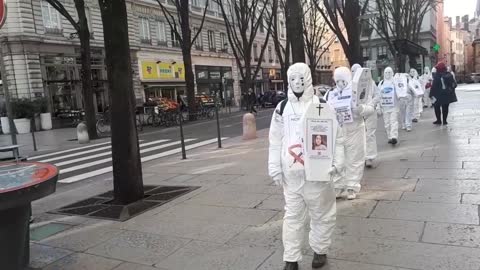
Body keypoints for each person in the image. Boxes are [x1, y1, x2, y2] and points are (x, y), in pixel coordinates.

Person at [268, 63, 339, 270]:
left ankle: (320, 250)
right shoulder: (282, 108)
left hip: (317, 174)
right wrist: (275, 166)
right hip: (292, 176)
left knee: (322, 214)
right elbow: (275, 139)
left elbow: (337, 136)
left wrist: (337, 163)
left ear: (307, 79)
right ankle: (291, 258)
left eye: (301, 79)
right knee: (292, 216)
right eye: (293, 79)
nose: (297, 83)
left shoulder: (321, 105)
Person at [325, 67, 374, 200]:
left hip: (355, 129)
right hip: (338, 131)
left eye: (343, 80)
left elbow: (370, 108)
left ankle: (352, 185)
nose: (340, 84)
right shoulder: (331, 94)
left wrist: (360, 109)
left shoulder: (357, 92)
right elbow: (324, 108)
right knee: (338, 159)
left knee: (355, 158)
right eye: (338, 81)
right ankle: (338, 186)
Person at [351, 64, 380, 168]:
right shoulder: (350, 85)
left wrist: (371, 104)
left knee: (369, 134)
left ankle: (369, 157)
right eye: (353, 71)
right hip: (357, 113)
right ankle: (360, 156)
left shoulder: (370, 83)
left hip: (370, 111)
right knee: (358, 135)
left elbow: (377, 95)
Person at [378, 67, 400, 145]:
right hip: (385, 107)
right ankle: (390, 137)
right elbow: (378, 95)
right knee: (387, 124)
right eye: (386, 72)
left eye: (389, 72)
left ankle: (394, 136)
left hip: (394, 106)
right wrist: (378, 107)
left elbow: (399, 91)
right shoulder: (381, 83)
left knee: (393, 122)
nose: (387, 74)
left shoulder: (395, 82)